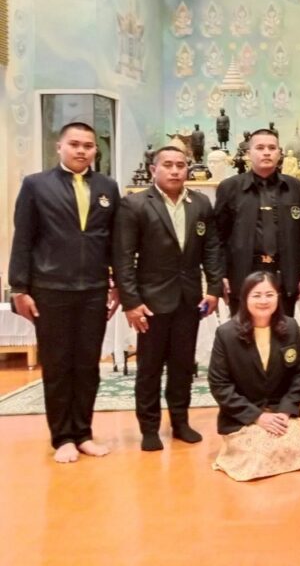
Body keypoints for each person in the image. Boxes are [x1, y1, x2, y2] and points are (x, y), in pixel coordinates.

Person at [9, 122, 120, 463]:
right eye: (74, 144)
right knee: (58, 365)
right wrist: (19, 287)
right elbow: (23, 238)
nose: (82, 150)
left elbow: (114, 241)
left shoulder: (107, 187)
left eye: (88, 145)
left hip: (94, 290)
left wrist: (117, 285)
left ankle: (83, 433)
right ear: (59, 147)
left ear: (95, 150)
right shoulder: (36, 185)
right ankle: (63, 438)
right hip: (50, 289)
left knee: (87, 366)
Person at [113, 146, 224, 451]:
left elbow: (211, 248)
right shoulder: (135, 204)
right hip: (150, 301)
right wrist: (131, 302)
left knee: (182, 365)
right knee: (149, 368)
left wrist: (214, 289)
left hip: (189, 300)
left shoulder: (200, 203)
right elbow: (123, 258)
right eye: (168, 165)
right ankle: (149, 428)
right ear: (153, 170)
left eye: (180, 165)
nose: (175, 170)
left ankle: (180, 422)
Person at [208, 272, 300, 481]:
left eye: (269, 294)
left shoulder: (290, 327)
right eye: (256, 295)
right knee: (257, 457)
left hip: (279, 412)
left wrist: (285, 411)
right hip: (243, 416)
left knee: (295, 450)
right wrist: (257, 416)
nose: (264, 301)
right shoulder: (226, 334)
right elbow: (220, 384)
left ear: (278, 297)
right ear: (245, 298)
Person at [215, 128, 300, 316]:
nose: (266, 152)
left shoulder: (295, 188)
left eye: (272, 148)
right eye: (260, 148)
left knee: (283, 329)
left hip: (284, 274)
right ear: (248, 154)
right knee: (243, 331)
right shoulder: (230, 188)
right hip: (243, 274)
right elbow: (218, 237)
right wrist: (220, 275)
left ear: (280, 153)